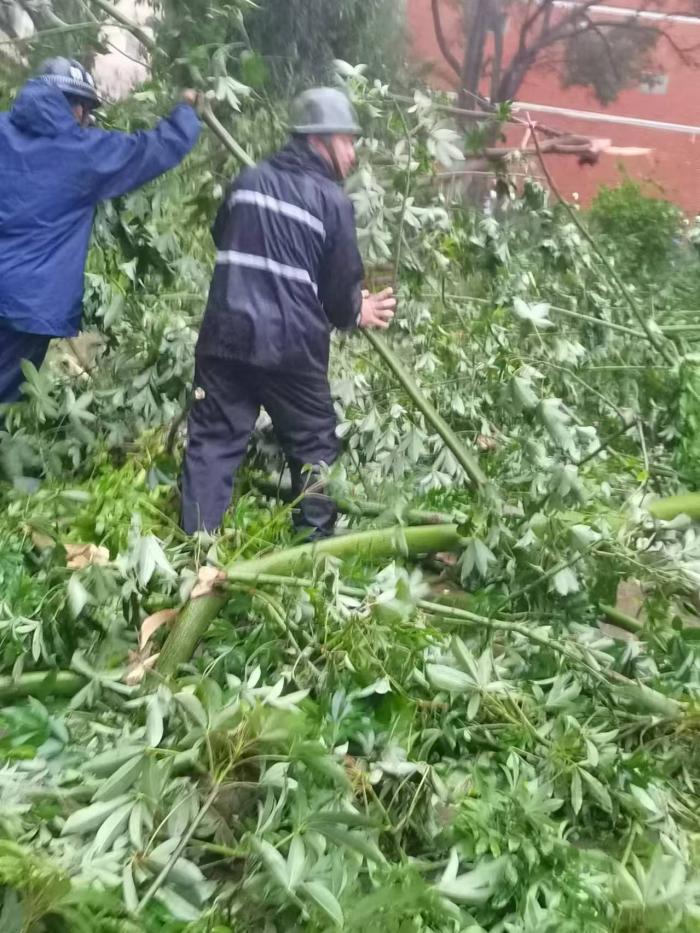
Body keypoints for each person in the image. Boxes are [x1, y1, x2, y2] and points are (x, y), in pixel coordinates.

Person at [181, 87, 396, 538]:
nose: (353, 154)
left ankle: (195, 549)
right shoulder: (332, 203)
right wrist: (359, 309)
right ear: (319, 139)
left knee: (213, 443)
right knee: (314, 446)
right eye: (348, 141)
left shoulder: (247, 181)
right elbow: (339, 298)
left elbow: (226, 237)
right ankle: (314, 555)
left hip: (226, 336)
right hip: (290, 347)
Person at [0, 57, 202, 404]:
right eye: (86, 109)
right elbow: (150, 150)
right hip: (26, 306)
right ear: (73, 107)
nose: (88, 118)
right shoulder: (82, 155)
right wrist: (186, 110)